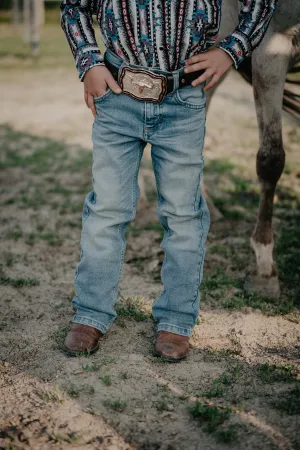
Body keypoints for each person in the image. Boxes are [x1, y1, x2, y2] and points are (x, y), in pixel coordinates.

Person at [61, 0, 277, 361]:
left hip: (182, 99)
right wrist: (89, 61)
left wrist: (232, 48)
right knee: (108, 209)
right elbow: (75, 6)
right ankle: (91, 313)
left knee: (182, 214)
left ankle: (176, 320)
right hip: (118, 93)